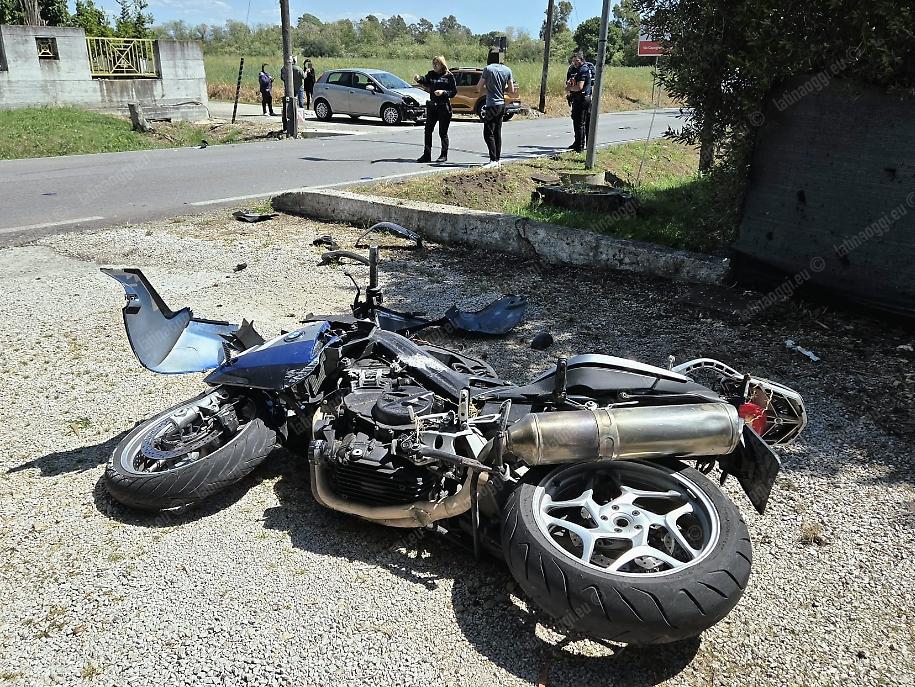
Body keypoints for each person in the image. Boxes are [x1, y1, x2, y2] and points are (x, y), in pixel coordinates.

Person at [476, 50, 516, 169]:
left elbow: (478, 87)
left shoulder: (488, 69)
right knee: (497, 132)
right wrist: (501, 89)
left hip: (491, 104)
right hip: (501, 104)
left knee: (488, 132)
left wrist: (488, 87)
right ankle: (497, 159)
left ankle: (492, 159)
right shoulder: (507, 70)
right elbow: (511, 90)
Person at [414, 56, 457, 163]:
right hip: (432, 107)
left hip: (444, 107)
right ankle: (426, 155)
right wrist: (419, 79)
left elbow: (453, 92)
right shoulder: (431, 74)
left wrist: (443, 92)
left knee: (443, 132)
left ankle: (443, 155)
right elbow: (425, 81)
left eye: (436, 64)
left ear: (442, 64)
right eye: (433, 63)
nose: (434, 65)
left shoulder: (449, 76)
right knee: (428, 131)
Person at [566, 52, 594, 153]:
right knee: (577, 122)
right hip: (576, 98)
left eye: (577, 60)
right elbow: (570, 82)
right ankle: (577, 143)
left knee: (581, 123)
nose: (575, 62)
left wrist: (568, 88)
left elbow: (579, 87)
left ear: (581, 60)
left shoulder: (584, 69)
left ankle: (580, 147)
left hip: (583, 99)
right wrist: (569, 93)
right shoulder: (573, 69)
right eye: (573, 60)